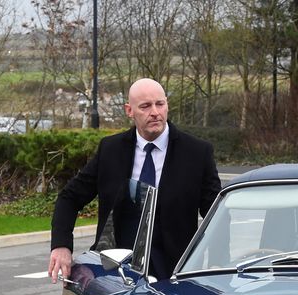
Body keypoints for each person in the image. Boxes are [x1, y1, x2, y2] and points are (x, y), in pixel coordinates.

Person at [48, 77, 221, 282]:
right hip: (117, 274)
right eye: (146, 106)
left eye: (160, 104)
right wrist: (61, 246)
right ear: (129, 111)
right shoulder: (110, 150)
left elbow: (216, 215)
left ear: (167, 105)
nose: (155, 112)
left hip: (176, 275)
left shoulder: (196, 153)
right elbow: (70, 197)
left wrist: (220, 263)